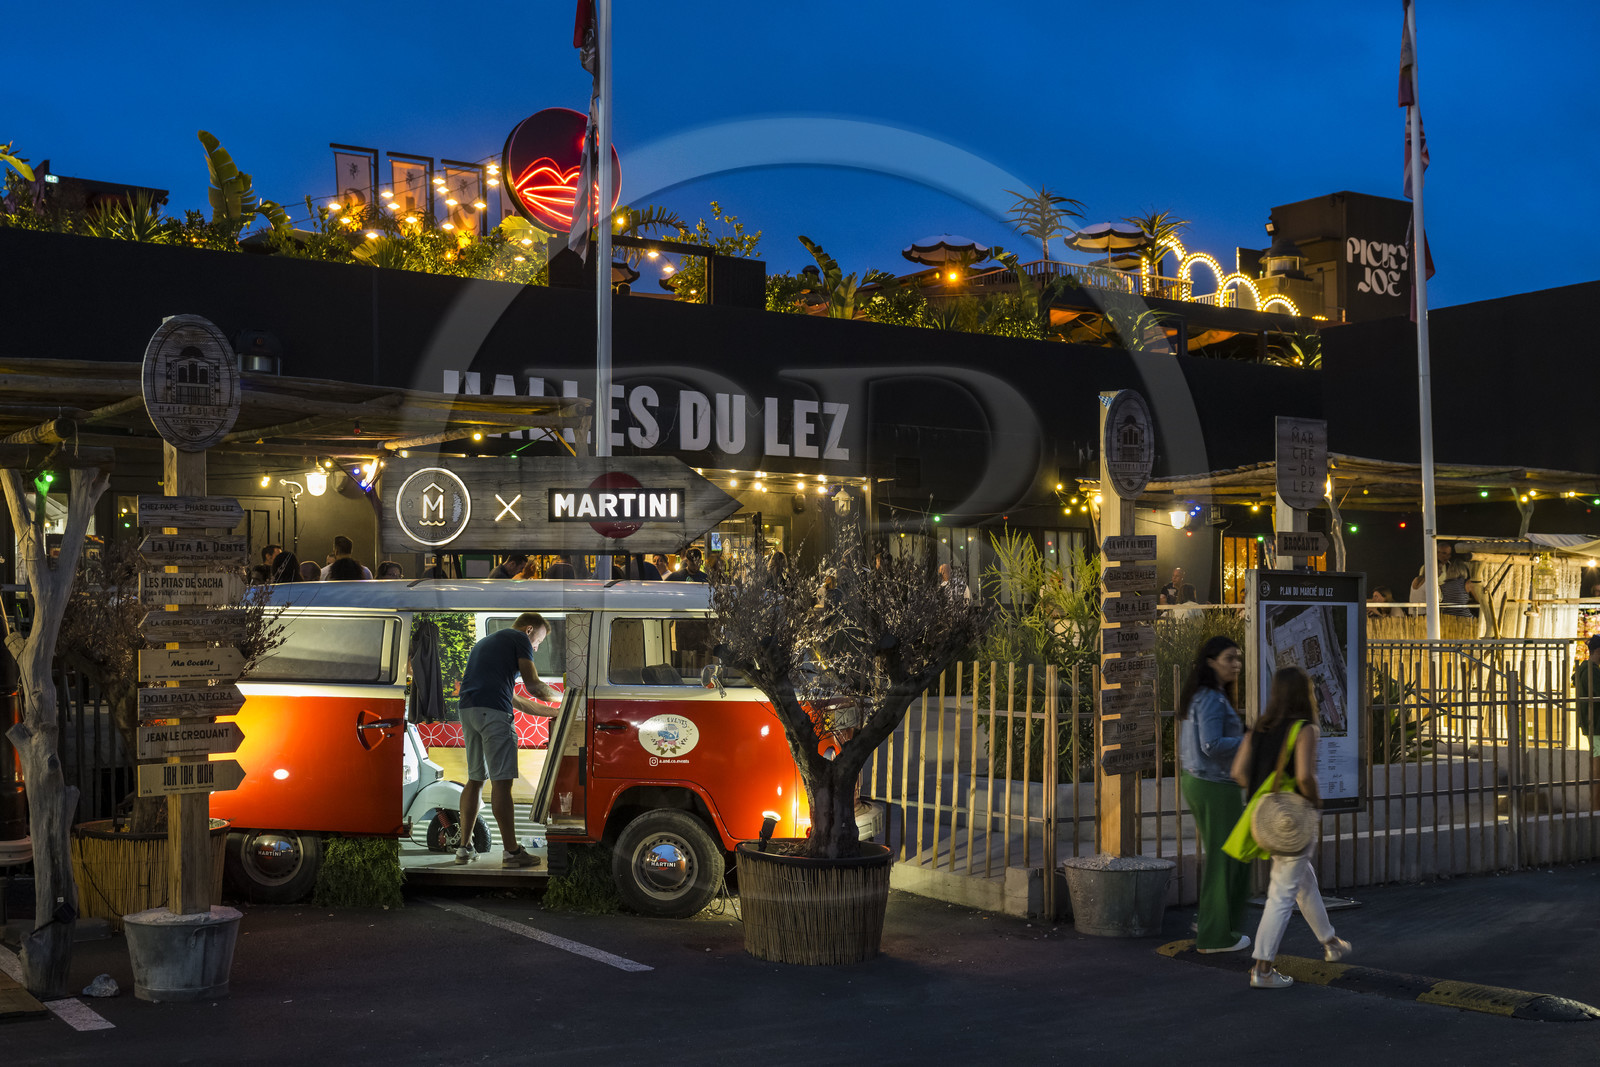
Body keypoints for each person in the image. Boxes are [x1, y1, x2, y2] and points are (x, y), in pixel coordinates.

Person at [1234, 666, 1352, 988]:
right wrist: (1315, 801)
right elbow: (1303, 776)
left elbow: (1238, 773)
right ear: (1305, 693)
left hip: (1266, 820)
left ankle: (1331, 944)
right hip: (1293, 820)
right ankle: (1263, 968)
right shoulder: (1305, 729)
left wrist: (1267, 795)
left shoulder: (1258, 728)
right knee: (1282, 892)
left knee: (1302, 881)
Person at [456, 612, 557, 868]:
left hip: (468, 711)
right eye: (539, 641)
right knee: (502, 784)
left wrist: (555, 712)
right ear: (529, 629)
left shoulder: (487, 643)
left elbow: (515, 699)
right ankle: (512, 852)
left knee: (475, 779)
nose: (535, 647)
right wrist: (565, 699)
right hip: (493, 716)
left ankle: (464, 848)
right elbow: (534, 686)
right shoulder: (518, 638)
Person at [1178, 635, 1251, 955]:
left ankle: (1216, 925)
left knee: (1232, 857)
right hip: (1214, 784)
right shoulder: (1210, 697)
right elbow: (1211, 744)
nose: (1236, 664)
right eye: (1229, 658)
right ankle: (1215, 936)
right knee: (1226, 859)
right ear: (1211, 661)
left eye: (1238, 658)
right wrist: (1251, 741)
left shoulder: (1207, 695)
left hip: (1208, 782)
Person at [1573, 635, 1600, 810]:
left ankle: (1595, 805)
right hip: (1598, 726)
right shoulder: (1592, 671)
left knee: (1595, 766)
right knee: (1598, 769)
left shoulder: (1583, 670)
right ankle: (1596, 807)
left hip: (1591, 725)